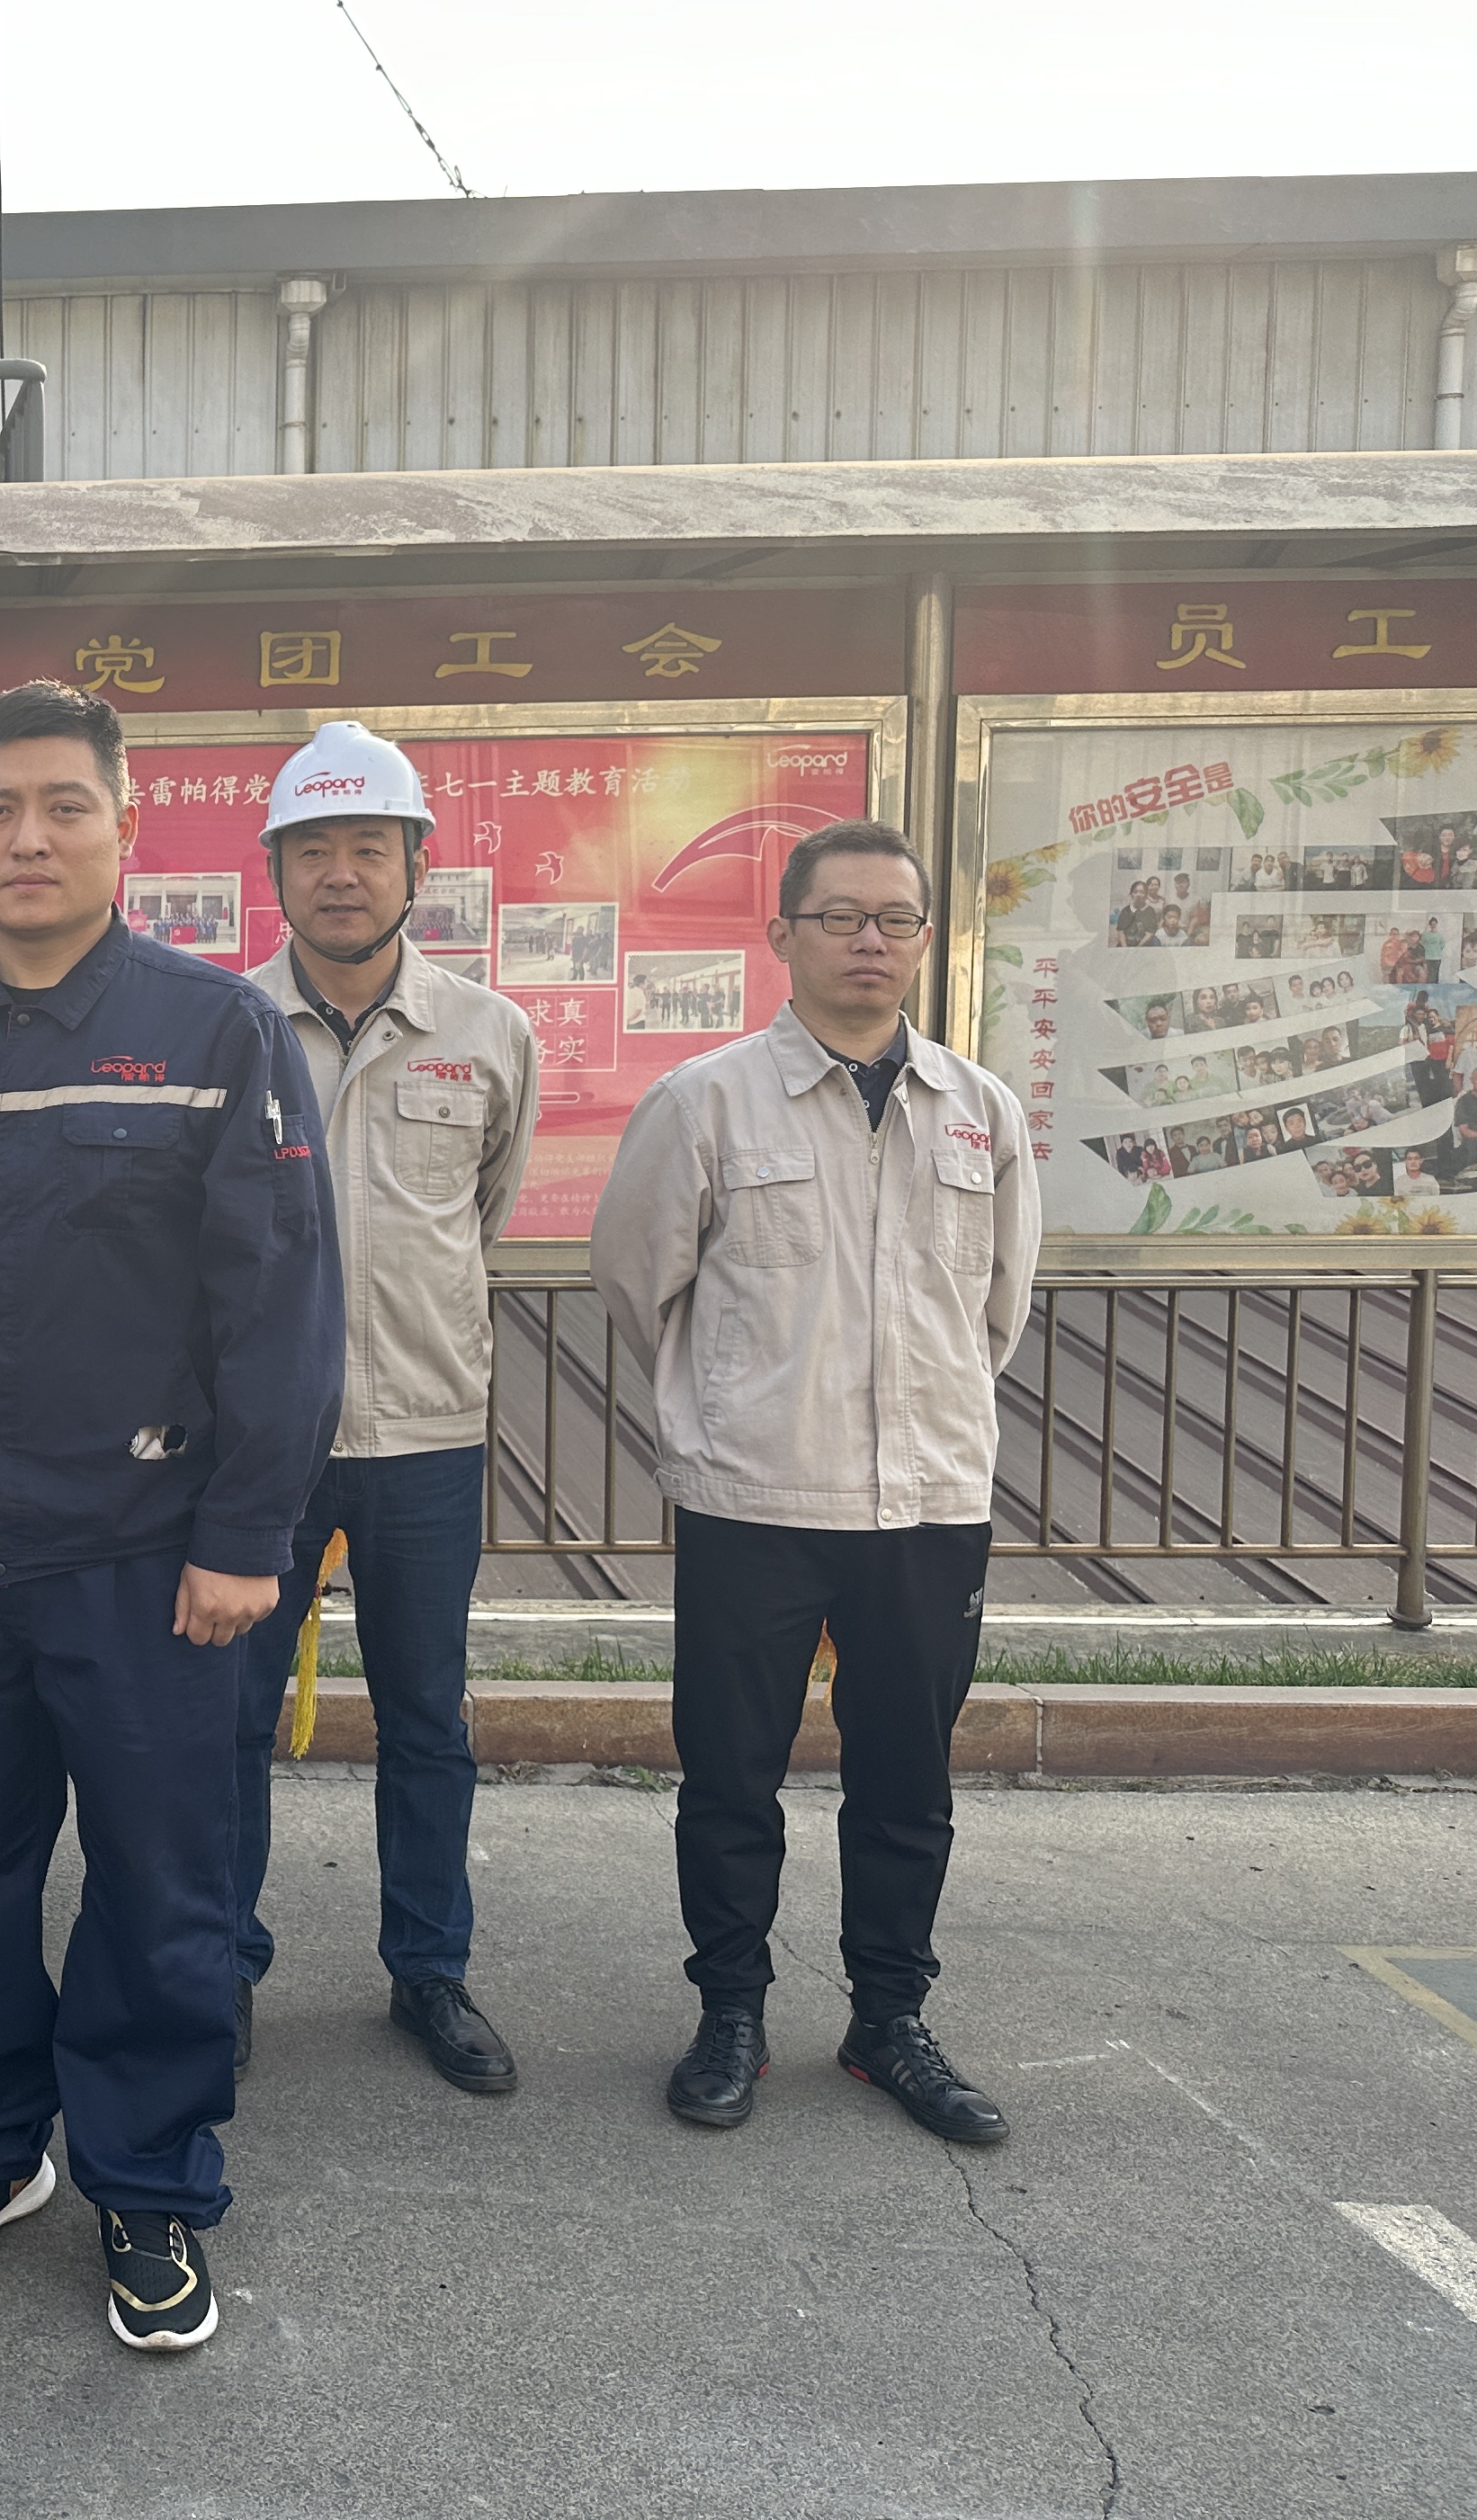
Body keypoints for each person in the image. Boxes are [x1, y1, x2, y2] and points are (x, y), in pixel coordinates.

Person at [0, 681, 341, 2355]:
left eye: (64, 806)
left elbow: (280, 1301)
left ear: (127, 827)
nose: (30, 838)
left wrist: (245, 1534)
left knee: (158, 1880)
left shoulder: (218, 1032)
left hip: (145, 1555)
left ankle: (148, 2176)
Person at [593, 818, 1038, 2150]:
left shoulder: (980, 1112)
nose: (868, 941)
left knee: (907, 1782)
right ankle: (730, 2011)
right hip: (758, 1499)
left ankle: (888, 2019)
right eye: (839, 916)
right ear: (782, 934)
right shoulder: (707, 1102)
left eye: (894, 919)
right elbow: (637, 1280)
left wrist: (922, 1410)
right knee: (731, 1777)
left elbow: (997, 1308)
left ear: (924, 941)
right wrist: (733, 1405)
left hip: (929, 1502)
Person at [237, 723, 540, 2096]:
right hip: (264, 1442)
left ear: (418, 866)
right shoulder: (227, 1027)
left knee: (427, 1720)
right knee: (230, 1719)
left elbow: (481, 1213)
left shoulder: (489, 1034)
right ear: (276, 875)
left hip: (426, 1436)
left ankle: (431, 1970)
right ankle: (219, 1966)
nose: (341, 874)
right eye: (313, 851)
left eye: (369, 848)